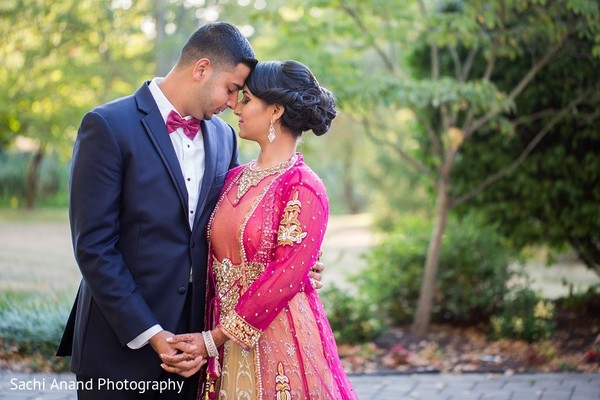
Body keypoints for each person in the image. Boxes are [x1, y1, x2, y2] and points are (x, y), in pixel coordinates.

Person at [56, 23, 323, 400]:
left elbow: (223, 229)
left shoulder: (223, 137)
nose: (234, 104)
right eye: (232, 89)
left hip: (195, 348)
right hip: (119, 342)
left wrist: (292, 261)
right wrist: (151, 333)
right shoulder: (107, 126)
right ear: (201, 69)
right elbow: (94, 246)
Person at [160, 60, 358, 400]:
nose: (235, 105)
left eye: (247, 98)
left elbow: (284, 275)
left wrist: (215, 338)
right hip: (220, 336)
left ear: (276, 111)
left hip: (278, 337)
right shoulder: (232, 177)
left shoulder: (303, 186)